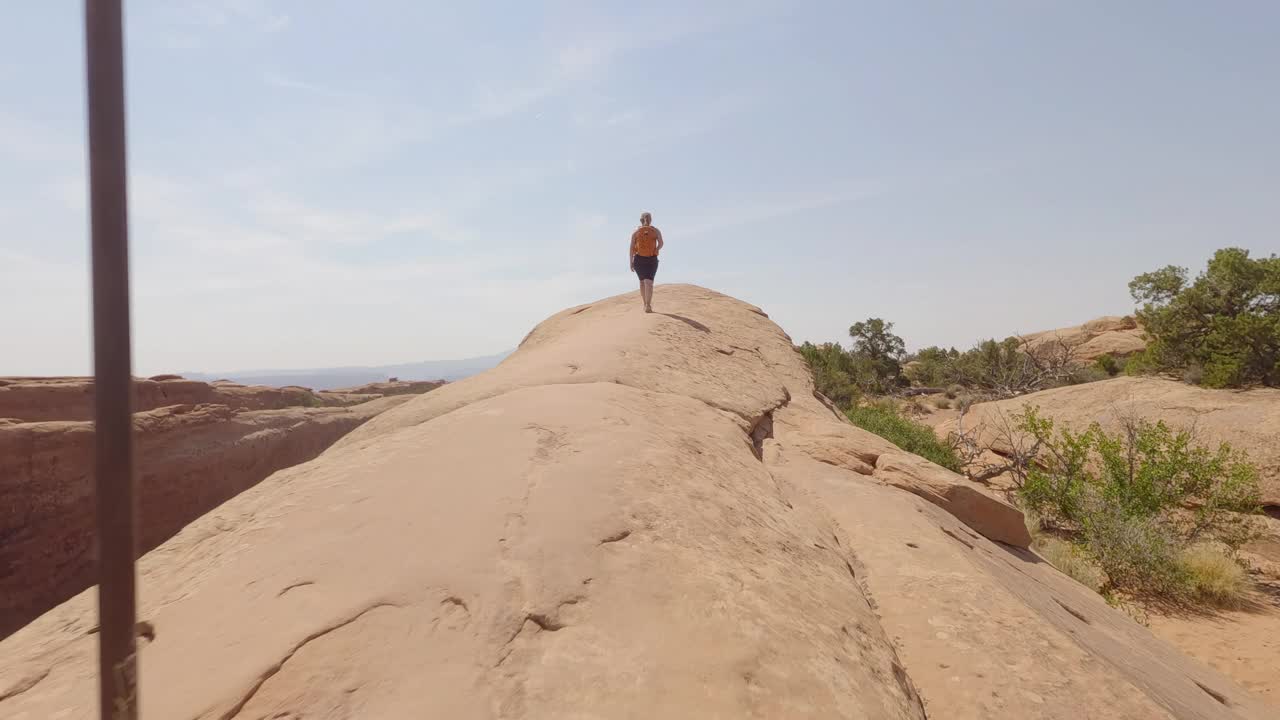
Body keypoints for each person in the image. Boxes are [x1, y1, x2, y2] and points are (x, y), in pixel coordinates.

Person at [629, 211, 663, 312]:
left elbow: (631, 248)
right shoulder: (655, 230)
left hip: (639, 259)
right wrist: (657, 249)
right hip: (652, 259)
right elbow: (661, 243)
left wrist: (630, 262)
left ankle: (645, 304)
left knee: (642, 282)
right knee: (649, 282)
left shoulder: (636, 232)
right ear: (651, 220)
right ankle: (648, 304)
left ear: (640, 220)